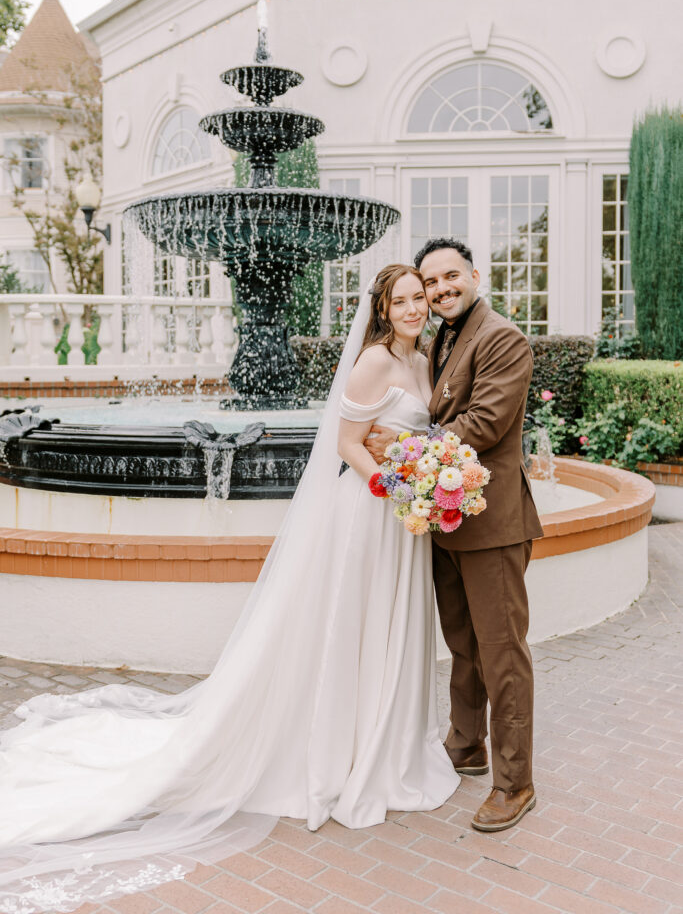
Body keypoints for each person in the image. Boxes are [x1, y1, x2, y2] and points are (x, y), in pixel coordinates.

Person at [0, 263, 459, 914]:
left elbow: (416, 433)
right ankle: (342, 753)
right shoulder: (374, 363)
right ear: (382, 310)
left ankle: (381, 742)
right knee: (352, 627)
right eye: (402, 301)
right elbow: (345, 442)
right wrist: (395, 487)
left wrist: (428, 469)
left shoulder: (422, 359)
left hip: (400, 520)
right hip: (368, 514)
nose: (414, 308)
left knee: (390, 629)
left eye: (420, 299)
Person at [366, 239, 543, 832]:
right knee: (464, 644)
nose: (440, 290)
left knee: (502, 652)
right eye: (430, 282)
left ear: (474, 275)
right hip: (446, 518)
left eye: (449, 278)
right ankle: (465, 744)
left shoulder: (501, 338)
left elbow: (484, 423)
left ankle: (515, 783)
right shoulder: (441, 337)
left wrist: (404, 449)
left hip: (492, 523)